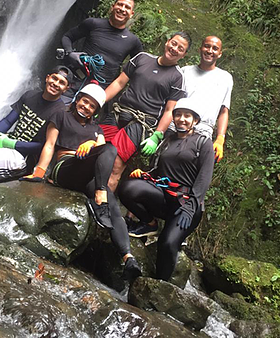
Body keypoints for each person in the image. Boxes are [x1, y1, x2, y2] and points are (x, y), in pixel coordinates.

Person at [22, 83, 142, 280]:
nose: (86, 106)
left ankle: (128, 258)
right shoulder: (61, 115)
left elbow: (105, 152)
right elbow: (50, 144)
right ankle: (100, 196)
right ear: (78, 99)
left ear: (95, 111)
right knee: (107, 159)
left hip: (90, 176)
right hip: (65, 167)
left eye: (92, 106)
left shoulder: (97, 129)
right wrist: (39, 172)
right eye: (85, 101)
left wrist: (92, 142)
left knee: (112, 206)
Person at [117, 98, 214, 281]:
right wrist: (146, 175)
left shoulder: (203, 143)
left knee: (168, 243)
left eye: (187, 116)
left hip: (185, 205)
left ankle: (160, 286)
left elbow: (204, 178)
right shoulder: (168, 140)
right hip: (163, 196)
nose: (182, 119)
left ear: (195, 120)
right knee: (129, 188)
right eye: (178, 115)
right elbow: (160, 169)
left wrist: (191, 205)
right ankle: (149, 224)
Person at [102, 32, 190, 190]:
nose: (175, 48)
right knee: (98, 149)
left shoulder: (177, 77)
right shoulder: (142, 58)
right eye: (174, 43)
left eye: (181, 48)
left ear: (184, 55)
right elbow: (119, 83)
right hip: (118, 112)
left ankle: (101, 204)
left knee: (115, 164)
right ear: (167, 42)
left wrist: (157, 135)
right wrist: (99, 101)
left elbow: (170, 110)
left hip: (141, 123)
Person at [60, 0, 142, 92]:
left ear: (131, 14)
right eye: (120, 4)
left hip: (100, 91)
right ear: (113, 7)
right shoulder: (93, 24)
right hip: (76, 80)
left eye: (127, 7)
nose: (122, 9)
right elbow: (67, 37)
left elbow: (138, 68)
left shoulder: (133, 41)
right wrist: (70, 53)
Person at [180, 35, 233, 162]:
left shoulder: (225, 78)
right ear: (200, 48)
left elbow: (224, 111)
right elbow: (172, 103)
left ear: (219, 54)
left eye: (215, 48)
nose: (210, 51)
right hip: (178, 127)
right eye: (207, 46)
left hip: (203, 132)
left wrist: (220, 139)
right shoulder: (184, 72)